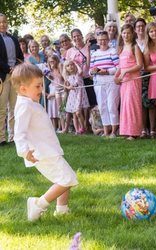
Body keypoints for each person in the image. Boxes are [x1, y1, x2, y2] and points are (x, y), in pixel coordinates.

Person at [11, 63, 78, 221]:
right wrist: (24, 151)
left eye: (41, 85)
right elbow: (18, 133)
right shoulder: (24, 106)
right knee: (68, 178)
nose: (41, 89)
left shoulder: (30, 103)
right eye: (37, 86)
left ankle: (62, 209)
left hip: (49, 150)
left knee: (63, 177)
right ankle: (38, 204)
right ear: (23, 89)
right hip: (41, 152)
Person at [114, 24, 143, 140]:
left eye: (128, 33)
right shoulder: (121, 48)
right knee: (125, 105)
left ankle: (134, 132)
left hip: (133, 79)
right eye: (124, 33)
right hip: (124, 81)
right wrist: (116, 76)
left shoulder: (135, 47)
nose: (126, 35)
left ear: (132, 34)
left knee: (132, 105)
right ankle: (126, 130)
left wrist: (126, 71)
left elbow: (140, 65)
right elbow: (121, 66)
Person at [90, 31, 120, 138]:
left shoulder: (113, 51)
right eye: (100, 40)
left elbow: (118, 67)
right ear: (97, 41)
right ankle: (106, 130)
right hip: (98, 82)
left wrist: (107, 71)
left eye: (104, 39)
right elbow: (90, 70)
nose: (102, 42)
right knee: (102, 106)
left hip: (111, 81)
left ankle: (114, 131)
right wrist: (94, 71)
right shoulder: (94, 54)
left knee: (111, 105)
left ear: (108, 40)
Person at [0, 13, 24, 146]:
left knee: (15, 107)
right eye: (0, 22)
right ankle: (1, 138)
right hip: (2, 77)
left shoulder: (14, 39)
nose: (3, 24)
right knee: (1, 108)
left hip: (15, 76)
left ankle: (14, 137)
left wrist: (18, 68)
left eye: (4, 22)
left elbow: (20, 57)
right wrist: (9, 68)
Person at [134, 18, 156, 139]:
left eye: (142, 26)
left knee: (151, 102)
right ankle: (142, 129)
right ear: (135, 29)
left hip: (151, 73)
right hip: (137, 75)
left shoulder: (150, 41)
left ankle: (152, 129)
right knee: (141, 103)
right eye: (138, 26)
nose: (141, 28)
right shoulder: (133, 43)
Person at [62, 60, 89, 134]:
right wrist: (68, 87)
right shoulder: (67, 78)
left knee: (78, 113)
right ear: (65, 68)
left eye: (72, 65)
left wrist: (76, 63)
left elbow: (80, 71)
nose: (70, 67)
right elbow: (65, 88)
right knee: (73, 114)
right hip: (72, 96)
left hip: (80, 95)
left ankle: (83, 128)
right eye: (68, 66)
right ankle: (77, 130)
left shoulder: (78, 74)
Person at [47, 55, 65, 132]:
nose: (51, 63)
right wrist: (50, 76)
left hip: (63, 88)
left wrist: (55, 70)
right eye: (50, 62)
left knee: (65, 108)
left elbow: (62, 78)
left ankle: (66, 127)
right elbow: (54, 82)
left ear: (56, 61)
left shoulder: (60, 66)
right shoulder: (51, 70)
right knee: (60, 109)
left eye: (53, 61)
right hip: (57, 90)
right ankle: (62, 127)